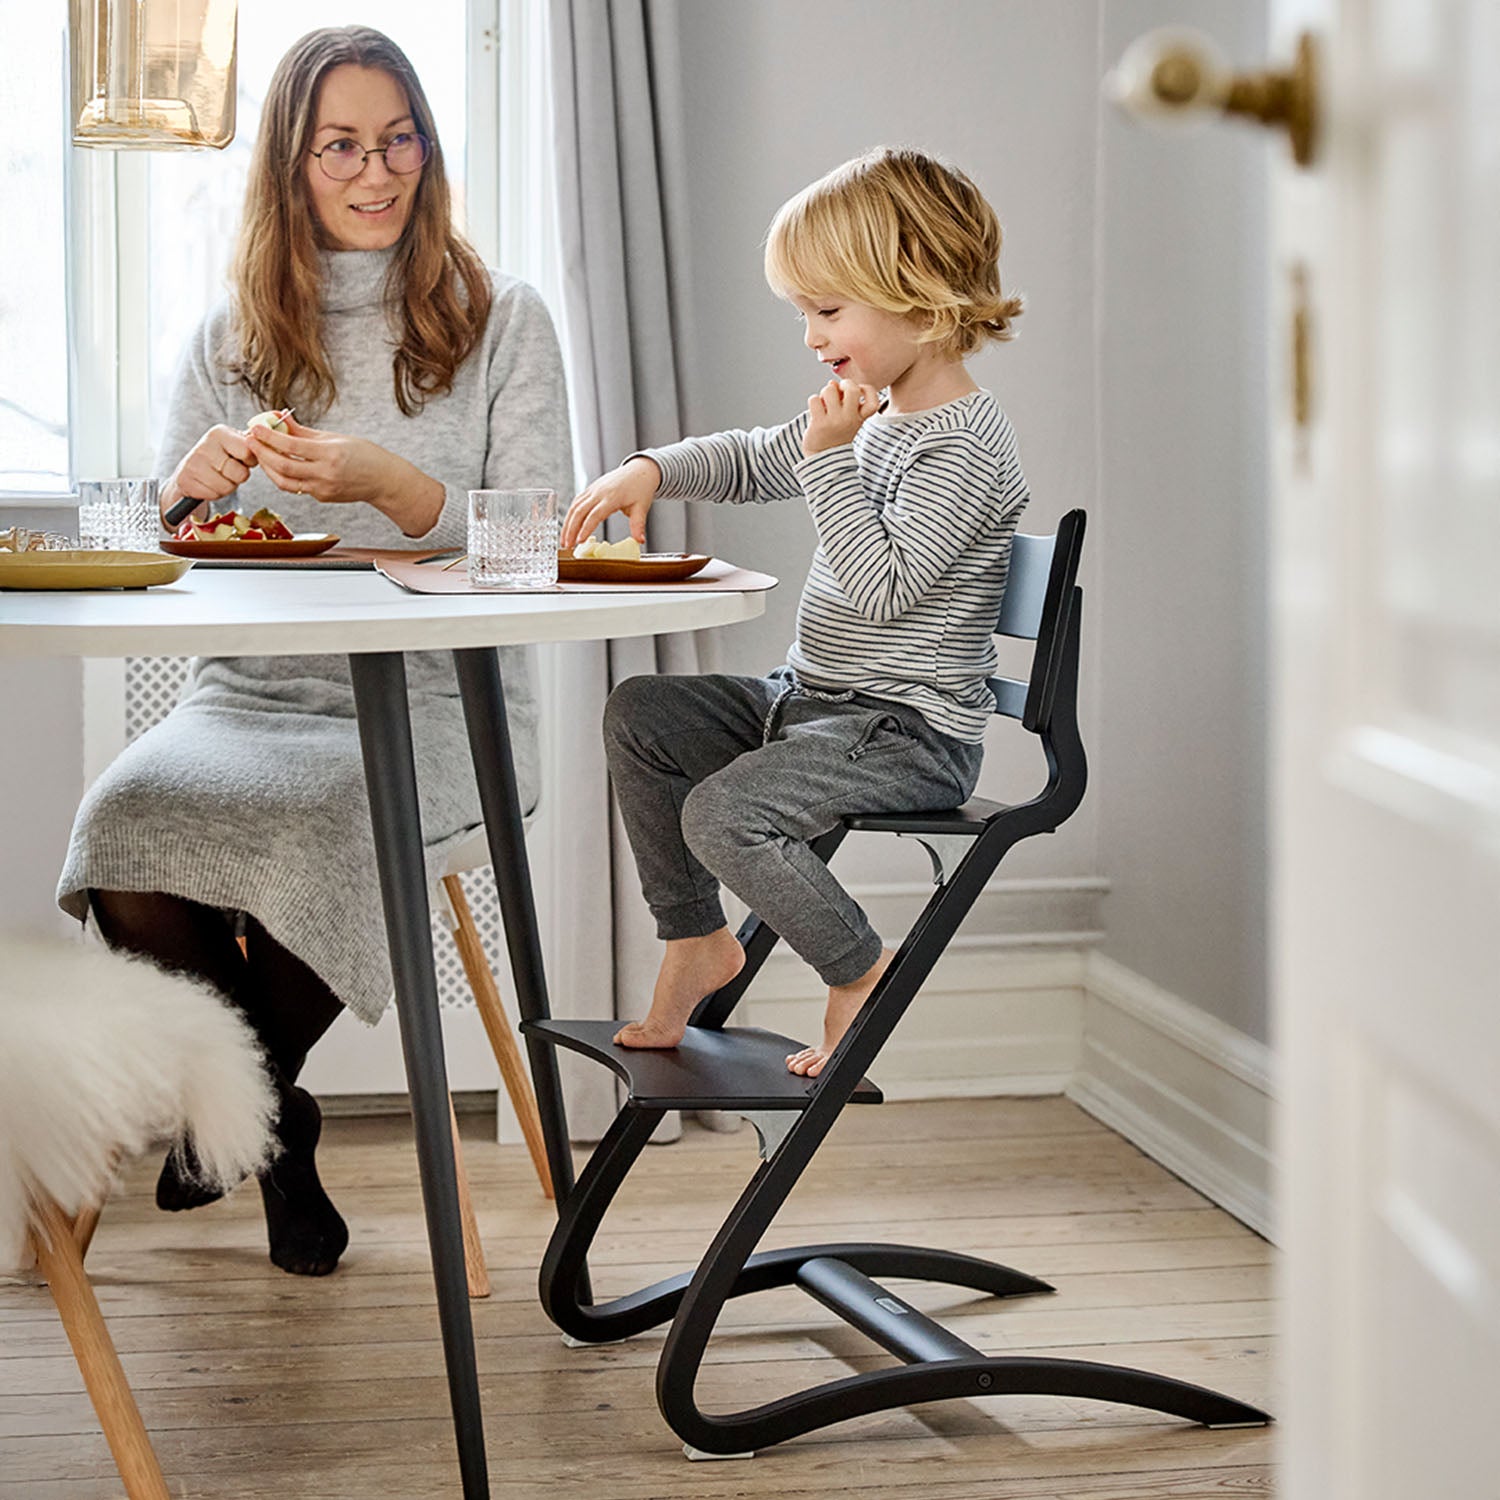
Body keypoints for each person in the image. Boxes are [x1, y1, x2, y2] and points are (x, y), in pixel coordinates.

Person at [57, 26, 572, 1275]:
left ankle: (231, 1118)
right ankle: (276, 1129)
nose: (375, 171)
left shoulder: (502, 319)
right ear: (291, 164)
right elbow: (155, 554)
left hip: (444, 706)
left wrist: (398, 487)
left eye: (399, 140)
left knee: (347, 821)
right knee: (121, 825)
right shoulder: (229, 336)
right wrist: (176, 496)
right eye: (340, 145)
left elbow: (538, 548)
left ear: (428, 149)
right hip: (249, 696)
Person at [560, 146, 1028, 1080]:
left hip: (906, 732)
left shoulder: (967, 447)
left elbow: (882, 585)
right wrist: (653, 469)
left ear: (918, 295)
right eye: (803, 313)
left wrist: (829, 460)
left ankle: (859, 968)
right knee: (642, 713)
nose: (812, 337)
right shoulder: (876, 415)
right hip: (814, 702)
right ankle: (697, 938)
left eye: (827, 309)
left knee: (722, 814)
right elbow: (757, 456)